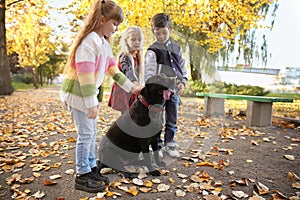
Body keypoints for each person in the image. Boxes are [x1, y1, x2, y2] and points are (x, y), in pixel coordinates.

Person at [61, 0, 142, 193]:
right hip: (78, 96)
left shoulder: (103, 44)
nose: (116, 29)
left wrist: (132, 87)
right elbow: (85, 77)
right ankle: (82, 175)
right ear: (101, 19)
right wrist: (91, 104)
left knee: (92, 133)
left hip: (87, 98)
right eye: (114, 24)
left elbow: (114, 71)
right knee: (86, 134)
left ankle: (90, 169)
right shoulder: (88, 42)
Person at [144, 13, 188, 158]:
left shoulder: (177, 48)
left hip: (173, 90)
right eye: (158, 33)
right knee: (157, 120)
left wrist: (182, 82)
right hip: (159, 92)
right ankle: (157, 145)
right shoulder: (152, 50)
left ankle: (170, 144)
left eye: (164, 32)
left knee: (172, 118)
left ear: (170, 29)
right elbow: (149, 72)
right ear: (153, 32)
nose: (161, 36)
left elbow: (182, 67)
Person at [108, 26, 144, 113]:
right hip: (124, 90)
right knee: (127, 115)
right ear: (126, 40)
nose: (137, 42)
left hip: (132, 89)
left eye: (139, 40)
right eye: (133, 39)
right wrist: (135, 83)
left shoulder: (137, 56)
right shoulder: (125, 56)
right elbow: (128, 71)